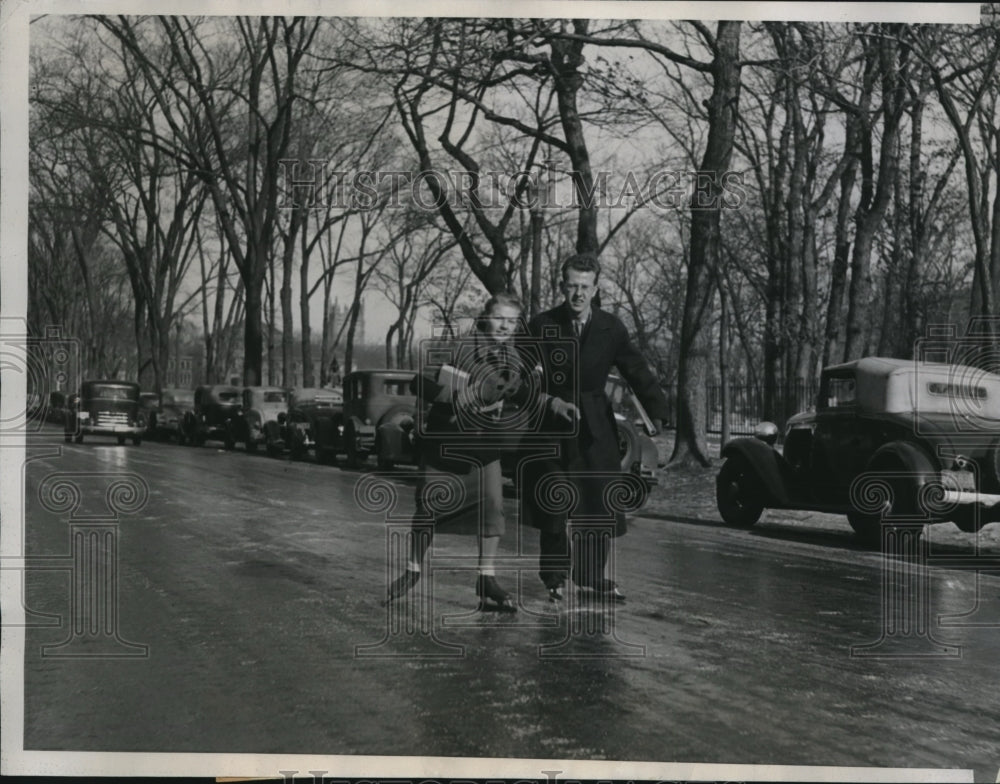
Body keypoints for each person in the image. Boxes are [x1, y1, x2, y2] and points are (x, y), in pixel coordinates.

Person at [521, 253, 669, 603]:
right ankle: (555, 577)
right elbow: (520, 377)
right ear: (562, 286)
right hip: (552, 426)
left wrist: (657, 409)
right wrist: (550, 402)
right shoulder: (542, 325)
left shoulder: (611, 327)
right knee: (554, 504)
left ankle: (591, 576)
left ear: (595, 288)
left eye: (585, 287)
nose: (578, 294)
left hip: (595, 425)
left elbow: (636, 369)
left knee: (597, 500)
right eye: (572, 286)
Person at [384, 292, 527, 612]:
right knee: (430, 506)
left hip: (484, 443)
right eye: (499, 318)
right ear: (485, 317)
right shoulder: (460, 347)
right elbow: (419, 383)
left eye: (512, 321)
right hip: (446, 441)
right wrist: (456, 395)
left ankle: (486, 578)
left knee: (492, 505)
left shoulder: (515, 357)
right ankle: (413, 569)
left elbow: (520, 393)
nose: (505, 326)